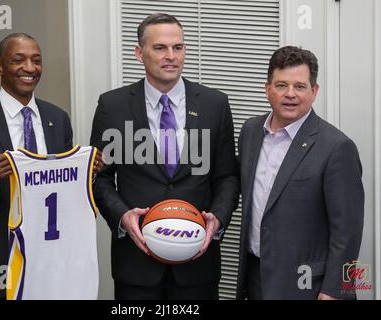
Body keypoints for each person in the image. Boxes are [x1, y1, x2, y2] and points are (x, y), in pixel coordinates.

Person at [90, 13, 240, 300]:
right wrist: (122, 216)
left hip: (198, 264)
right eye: (160, 48)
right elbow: (99, 178)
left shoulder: (215, 104)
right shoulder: (113, 106)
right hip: (136, 265)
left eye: (178, 47)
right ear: (139, 53)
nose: (171, 56)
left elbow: (227, 177)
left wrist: (217, 219)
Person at [0, 33, 103, 299]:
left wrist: (87, 175)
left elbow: (63, 192)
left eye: (36, 60)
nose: (30, 68)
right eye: (19, 60)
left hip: (49, 261)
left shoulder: (57, 118)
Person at [236, 46, 364, 300]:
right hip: (255, 276)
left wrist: (334, 291)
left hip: (308, 287)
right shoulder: (250, 132)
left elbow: (348, 232)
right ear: (267, 88)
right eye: (282, 85)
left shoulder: (337, 147)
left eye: (300, 86)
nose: (290, 94)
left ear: (314, 91)